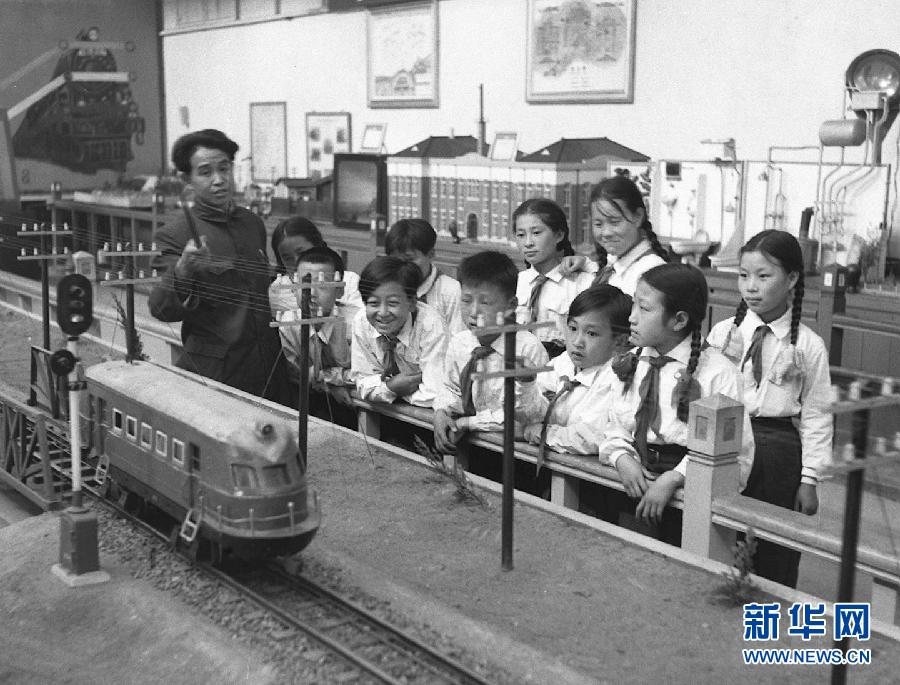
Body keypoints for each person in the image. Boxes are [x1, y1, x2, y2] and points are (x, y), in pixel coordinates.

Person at [707, 229, 831, 588]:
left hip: (777, 451)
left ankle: (771, 618)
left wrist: (810, 478)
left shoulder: (808, 345)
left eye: (764, 276)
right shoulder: (723, 333)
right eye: (744, 276)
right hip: (726, 442)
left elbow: (817, 415)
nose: (751, 287)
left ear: (791, 278)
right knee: (721, 530)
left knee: (774, 545)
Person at [599, 263, 754, 543]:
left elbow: (736, 453)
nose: (631, 317)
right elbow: (615, 424)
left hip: (691, 484)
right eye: (633, 305)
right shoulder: (633, 361)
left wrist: (673, 478)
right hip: (637, 474)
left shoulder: (719, 373)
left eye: (644, 309)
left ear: (679, 320)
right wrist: (621, 457)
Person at [149, 128, 289, 403]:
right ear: (186, 179)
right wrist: (183, 269)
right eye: (205, 172)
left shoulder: (252, 224)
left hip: (269, 368)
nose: (219, 180)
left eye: (224, 169)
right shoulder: (174, 234)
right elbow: (160, 308)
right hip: (216, 375)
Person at [433, 251, 549, 454]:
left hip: (515, 453)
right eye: (466, 300)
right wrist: (441, 411)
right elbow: (450, 388)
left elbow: (531, 415)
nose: (473, 311)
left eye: (485, 302)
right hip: (466, 443)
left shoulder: (527, 349)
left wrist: (470, 423)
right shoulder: (460, 343)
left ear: (511, 306)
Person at [517, 285, 632, 458]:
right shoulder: (563, 362)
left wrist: (538, 432)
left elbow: (590, 437)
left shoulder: (616, 377)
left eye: (591, 334)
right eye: (572, 328)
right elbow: (532, 412)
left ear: (619, 341)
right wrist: (526, 384)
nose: (578, 341)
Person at [351, 256, 448, 407]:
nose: (382, 313)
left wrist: (386, 390)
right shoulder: (361, 321)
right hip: (386, 412)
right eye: (373, 303)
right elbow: (362, 381)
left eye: (393, 303)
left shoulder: (431, 325)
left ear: (411, 303)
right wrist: (392, 387)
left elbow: (434, 394)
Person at [278, 246, 357, 428]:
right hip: (315, 403)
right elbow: (297, 373)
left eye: (321, 286)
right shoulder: (289, 323)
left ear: (339, 291)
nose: (310, 295)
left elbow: (366, 375)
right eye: (304, 285)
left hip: (362, 408)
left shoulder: (356, 325)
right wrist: (332, 384)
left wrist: (326, 377)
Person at [512, 198, 596, 358]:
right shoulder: (517, 282)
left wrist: (586, 262)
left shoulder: (580, 283)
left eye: (536, 233)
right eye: (521, 235)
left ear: (559, 235)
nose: (528, 243)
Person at [564, 175, 669, 297]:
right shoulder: (610, 264)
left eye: (614, 222)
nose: (606, 232)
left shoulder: (650, 273)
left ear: (638, 217)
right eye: (598, 224)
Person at [269, 215, 362, 319]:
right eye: (287, 258)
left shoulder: (350, 282)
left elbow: (361, 321)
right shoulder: (278, 291)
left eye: (302, 252)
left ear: (318, 246)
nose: (296, 262)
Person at [385, 218, 464, 334]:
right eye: (395, 260)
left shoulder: (450, 291)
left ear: (431, 254)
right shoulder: (382, 288)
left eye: (409, 259)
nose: (402, 267)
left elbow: (458, 342)